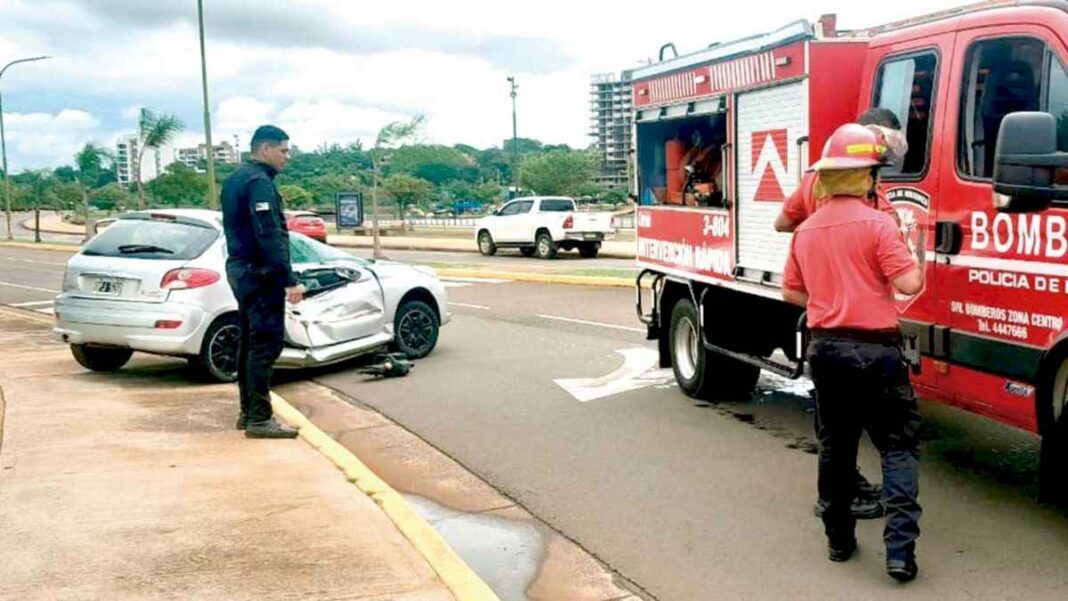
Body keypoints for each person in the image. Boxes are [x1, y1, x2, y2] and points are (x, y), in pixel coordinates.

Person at [782, 123, 924, 582]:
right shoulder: (880, 224)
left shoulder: (805, 231)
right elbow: (908, 284)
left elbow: (791, 293)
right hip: (878, 350)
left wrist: (829, 303)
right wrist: (913, 257)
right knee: (897, 448)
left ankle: (839, 541)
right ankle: (900, 553)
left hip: (827, 351)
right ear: (867, 177)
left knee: (836, 448)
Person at [221, 125, 305, 439]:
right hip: (260, 274)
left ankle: (248, 412)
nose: (287, 157)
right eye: (283, 151)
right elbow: (268, 234)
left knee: (248, 343)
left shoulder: (236, 178)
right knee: (264, 346)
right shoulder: (258, 182)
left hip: (241, 270)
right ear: (265, 149)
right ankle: (259, 418)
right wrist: (289, 279)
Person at [774, 108, 907, 232]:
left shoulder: (812, 177)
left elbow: (782, 223)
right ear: (877, 136)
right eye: (885, 145)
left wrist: (815, 231)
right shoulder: (865, 184)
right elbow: (891, 227)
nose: (884, 152)